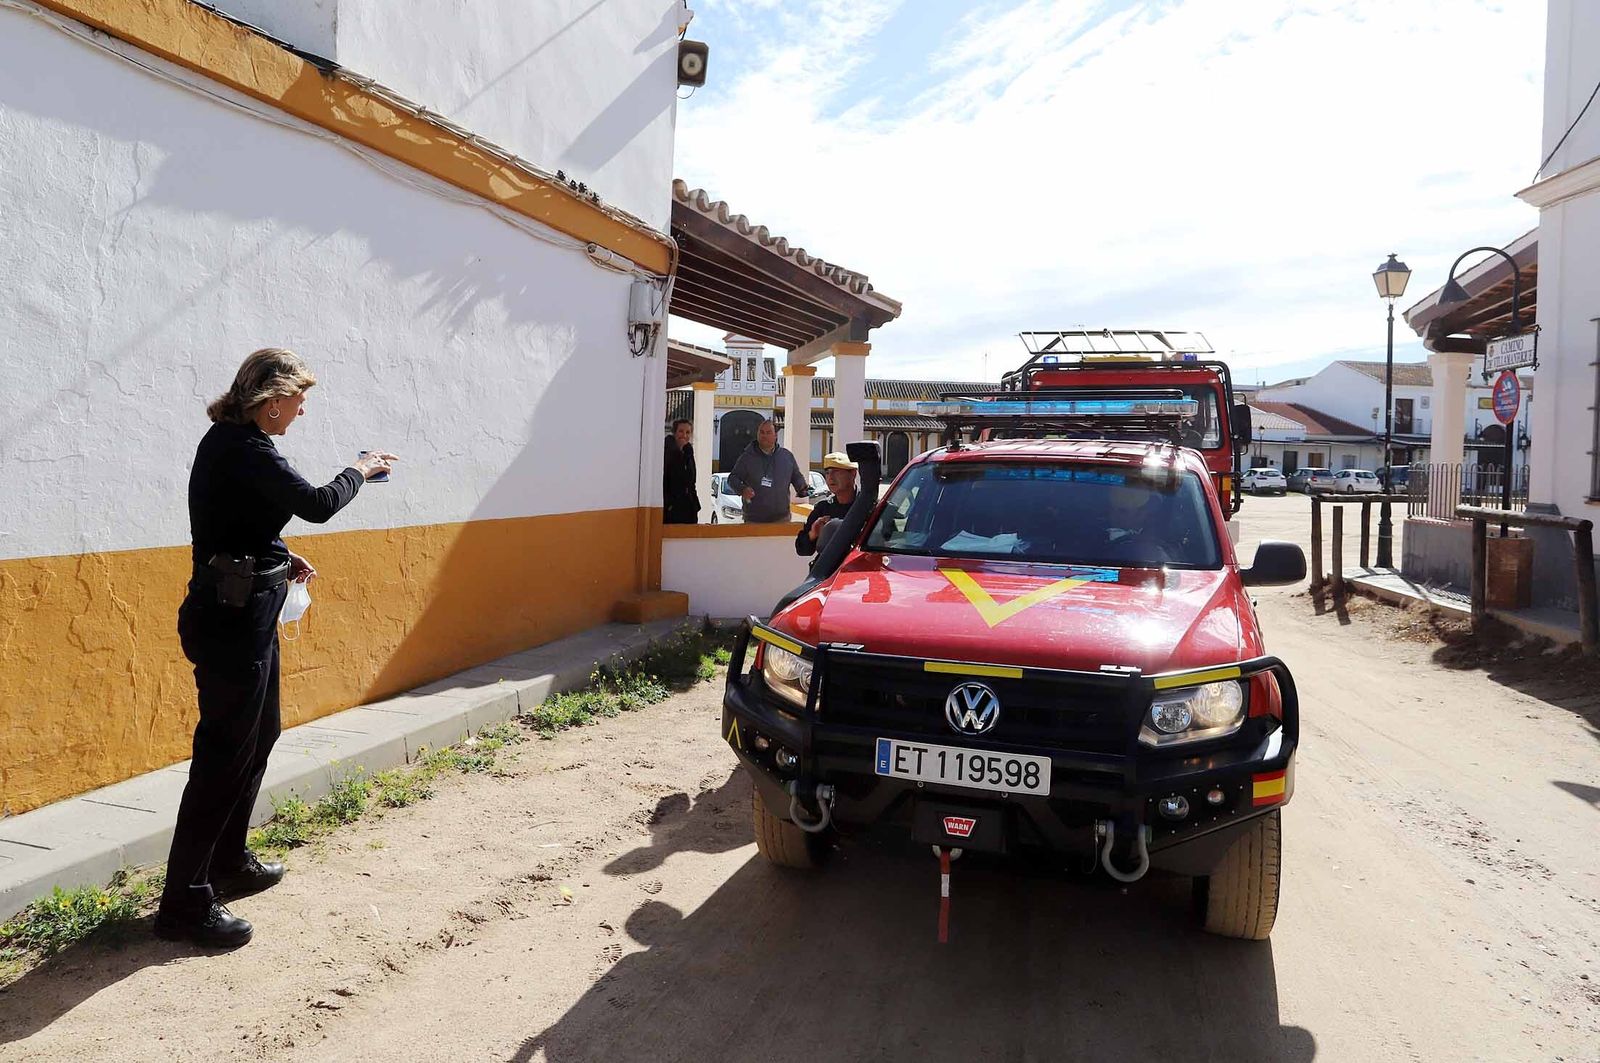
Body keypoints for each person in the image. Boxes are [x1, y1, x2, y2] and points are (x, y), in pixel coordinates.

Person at [155, 348, 395, 948]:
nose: (303, 408)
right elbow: (315, 504)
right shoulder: (240, 446)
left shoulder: (240, 447)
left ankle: (227, 861)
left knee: (259, 737)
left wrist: (280, 555)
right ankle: (183, 903)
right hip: (229, 622)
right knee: (222, 755)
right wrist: (360, 470)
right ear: (270, 400)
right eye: (298, 397)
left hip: (249, 613)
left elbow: (235, 521)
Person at [726, 419, 808, 523]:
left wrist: (802, 488)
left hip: (782, 519)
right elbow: (732, 478)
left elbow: (796, 476)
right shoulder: (747, 457)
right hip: (754, 520)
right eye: (761, 432)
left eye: (768, 432)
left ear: (775, 436)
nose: (764, 436)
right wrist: (743, 489)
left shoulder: (786, 456)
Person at [795, 452, 859, 556]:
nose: (830, 478)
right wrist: (813, 534)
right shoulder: (823, 508)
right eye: (828, 472)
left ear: (853, 473)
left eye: (836, 472)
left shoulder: (868, 506)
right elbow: (802, 550)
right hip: (828, 569)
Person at [662, 418, 700, 524]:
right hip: (671, 511)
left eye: (688, 432)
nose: (684, 435)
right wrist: (669, 505)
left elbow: (692, 483)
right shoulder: (666, 453)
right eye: (681, 431)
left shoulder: (688, 453)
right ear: (674, 432)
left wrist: (695, 505)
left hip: (689, 509)